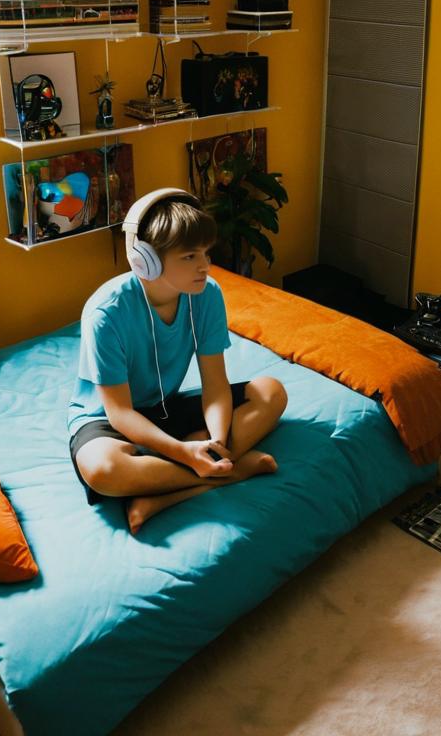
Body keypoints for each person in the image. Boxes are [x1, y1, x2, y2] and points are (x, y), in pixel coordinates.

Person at [69, 187, 287, 533]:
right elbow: (120, 413)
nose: (205, 265)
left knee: (271, 391)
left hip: (165, 407)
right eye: (189, 257)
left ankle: (166, 490)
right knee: (102, 470)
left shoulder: (206, 294)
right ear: (146, 260)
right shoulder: (105, 314)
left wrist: (215, 439)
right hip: (111, 420)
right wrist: (186, 454)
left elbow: (215, 383)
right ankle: (229, 472)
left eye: (205, 253)